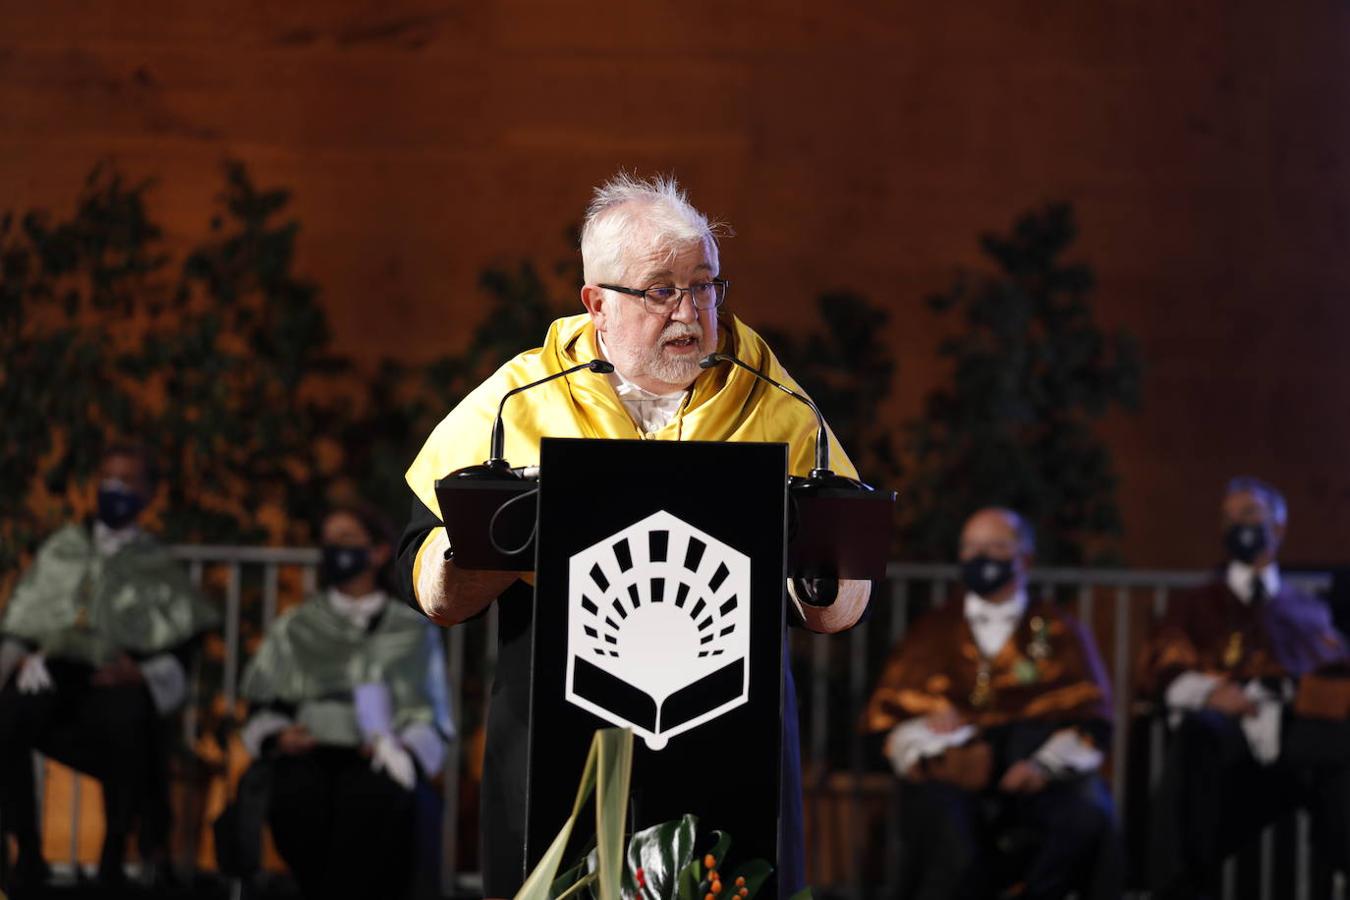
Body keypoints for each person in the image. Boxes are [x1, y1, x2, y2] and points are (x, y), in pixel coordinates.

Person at [397, 173, 871, 897]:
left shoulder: (771, 396)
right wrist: (471, 555)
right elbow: (421, 559)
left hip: (729, 735)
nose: (690, 311)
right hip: (559, 741)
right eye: (661, 290)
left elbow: (841, 569)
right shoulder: (519, 399)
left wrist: (827, 578)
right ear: (597, 304)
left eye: (705, 286)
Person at [863, 508, 1121, 900]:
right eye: (972, 547)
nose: (983, 556)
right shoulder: (931, 629)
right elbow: (889, 716)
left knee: (1088, 815)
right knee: (949, 836)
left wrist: (1043, 766)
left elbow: (1092, 717)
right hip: (954, 773)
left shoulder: (1060, 629)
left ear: (1025, 559)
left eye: (997, 546)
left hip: (1037, 768)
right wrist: (930, 731)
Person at [0, 443, 219, 889]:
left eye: (127, 480)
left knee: (129, 721)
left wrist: (141, 673)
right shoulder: (64, 547)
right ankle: (26, 850)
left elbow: (182, 640)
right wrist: (21, 658)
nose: (114, 489)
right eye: (107, 478)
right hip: (52, 671)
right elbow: (23, 618)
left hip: (115, 680)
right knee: (10, 714)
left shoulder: (155, 563)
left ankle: (113, 859)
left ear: (149, 493)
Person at [1140, 477, 1350, 898]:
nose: (1240, 524)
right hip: (1227, 733)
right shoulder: (1195, 603)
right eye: (1230, 518)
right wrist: (1207, 691)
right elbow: (1163, 665)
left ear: (1280, 525)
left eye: (1250, 514)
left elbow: (1335, 673)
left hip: (1293, 735)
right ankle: (1172, 886)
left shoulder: (1307, 610)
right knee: (1199, 736)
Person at [235, 502, 452, 900]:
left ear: (378, 552)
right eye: (329, 541)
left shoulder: (410, 628)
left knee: (380, 808)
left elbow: (429, 712)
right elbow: (262, 703)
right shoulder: (298, 625)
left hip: (378, 761)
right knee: (297, 801)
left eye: (347, 540)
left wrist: (403, 748)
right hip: (309, 755)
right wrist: (280, 736)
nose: (336, 550)